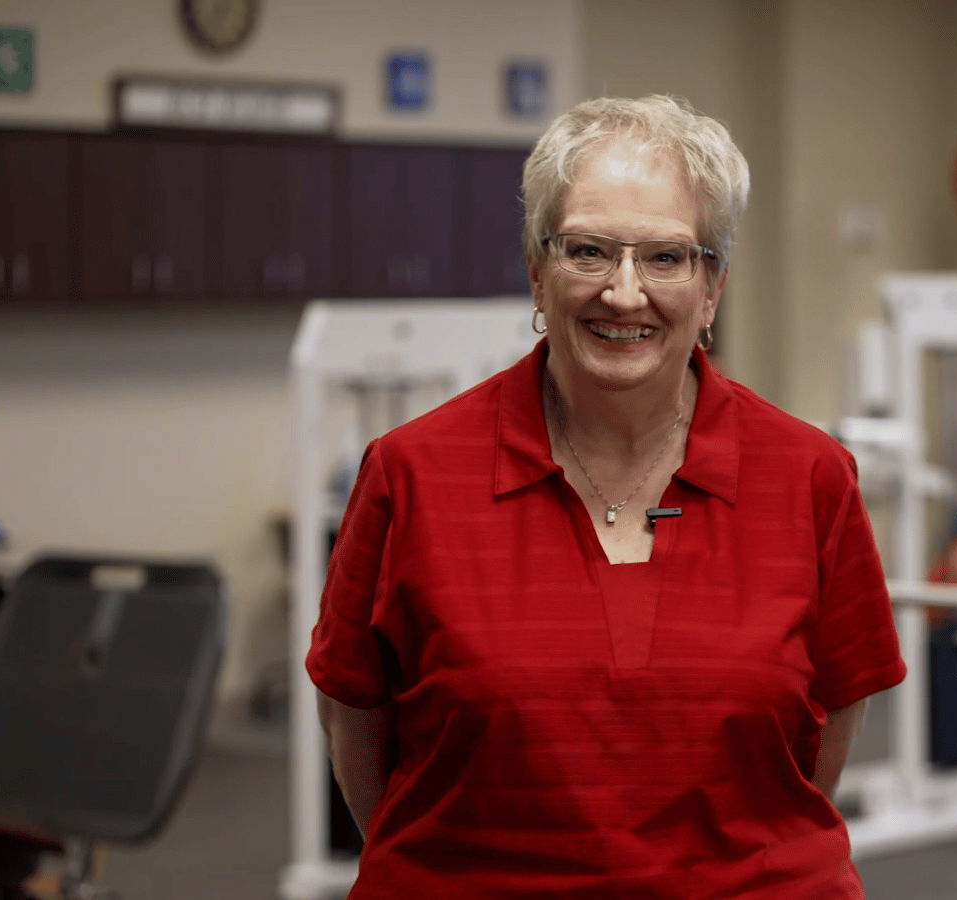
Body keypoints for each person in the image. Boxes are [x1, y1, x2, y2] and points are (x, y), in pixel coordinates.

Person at [307, 94, 907, 899]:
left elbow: (824, 737)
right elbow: (356, 729)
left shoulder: (809, 476)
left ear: (712, 288)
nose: (624, 294)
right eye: (587, 251)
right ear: (535, 269)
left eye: (666, 258)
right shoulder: (412, 473)